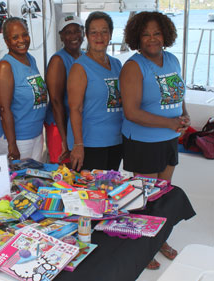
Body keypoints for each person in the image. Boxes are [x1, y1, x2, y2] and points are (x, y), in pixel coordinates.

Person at [120, 11, 190, 270]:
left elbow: (178, 92)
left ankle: (159, 238)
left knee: (162, 194)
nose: (152, 38)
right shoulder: (134, 66)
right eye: (146, 34)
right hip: (144, 141)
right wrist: (169, 123)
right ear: (137, 37)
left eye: (156, 33)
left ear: (165, 35)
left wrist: (183, 114)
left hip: (169, 139)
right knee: (143, 198)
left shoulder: (171, 59)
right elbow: (132, 112)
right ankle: (141, 245)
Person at [67, 11, 123, 171]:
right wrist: (78, 144)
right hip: (90, 143)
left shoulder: (117, 64)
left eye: (104, 31)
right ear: (87, 36)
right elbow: (75, 109)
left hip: (115, 141)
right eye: (94, 32)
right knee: (91, 194)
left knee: (109, 189)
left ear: (111, 34)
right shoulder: (80, 67)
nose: (99, 36)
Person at [0, 17, 48, 161]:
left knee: (32, 181)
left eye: (24, 34)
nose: (22, 40)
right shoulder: (5, 67)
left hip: (35, 135)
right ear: (6, 41)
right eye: (15, 37)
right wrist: (12, 144)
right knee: (16, 182)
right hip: (17, 139)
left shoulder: (30, 59)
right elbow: (4, 109)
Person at [45, 15, 84, 164]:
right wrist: (65, 139)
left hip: (76, 125)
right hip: (60, 126)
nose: (73, 36)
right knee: (62, 173)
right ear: (61, 36)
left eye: (77, 31)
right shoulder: (58, 61)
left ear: (83, 32)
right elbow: (56, 102)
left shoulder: (85, 57)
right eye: (68, 32)